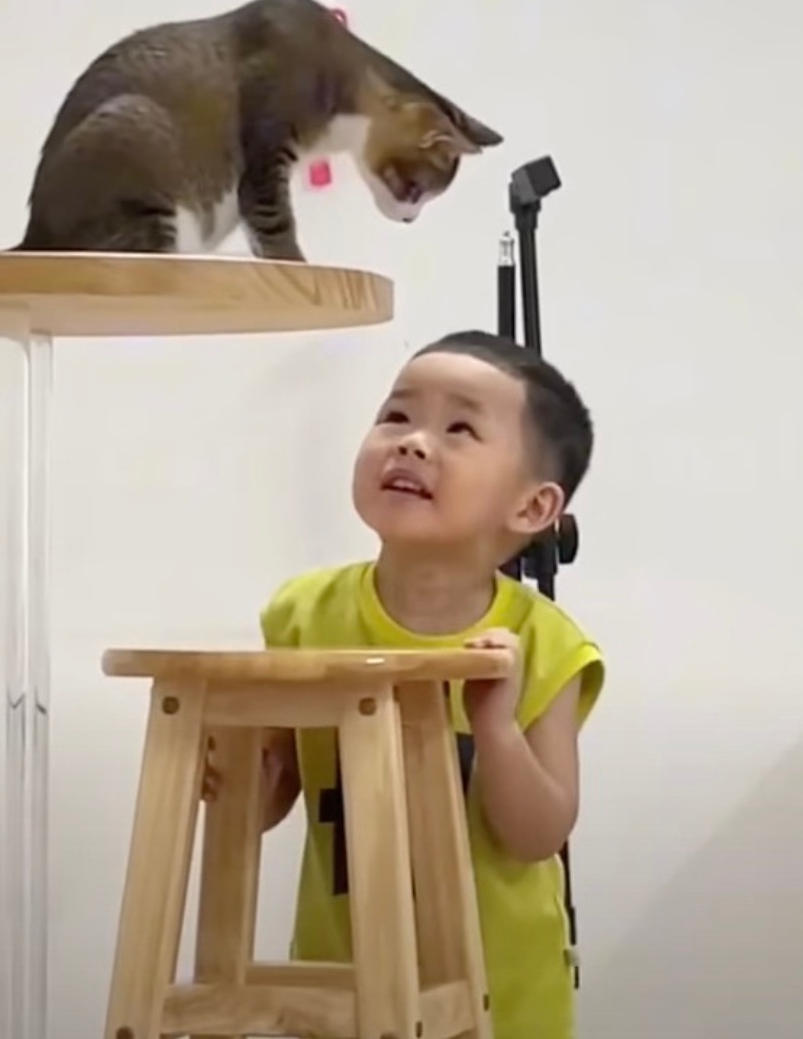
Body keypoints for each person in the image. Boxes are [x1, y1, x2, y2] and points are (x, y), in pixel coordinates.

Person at [208, 329, 605, 1039]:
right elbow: (270, 800)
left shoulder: (548, 644)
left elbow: (539, 835)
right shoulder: (303, 614)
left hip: (502, 998)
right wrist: (234, 772)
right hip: (345, 995)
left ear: (533, 508)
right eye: (396, 415)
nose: (413, 442)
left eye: (459, 429)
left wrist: (497, 726)